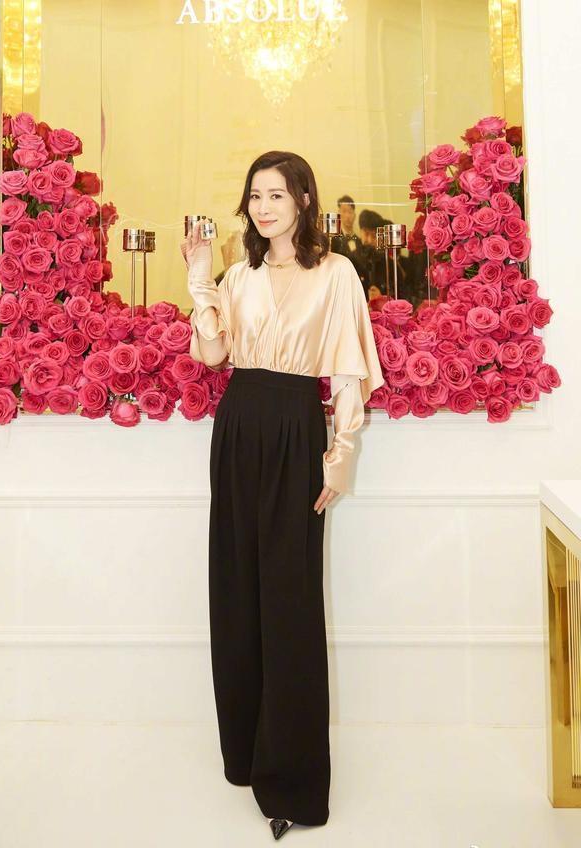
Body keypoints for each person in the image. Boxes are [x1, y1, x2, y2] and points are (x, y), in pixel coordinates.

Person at [181, 151, 384, 840]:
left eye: (276, 194)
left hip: (297, 428)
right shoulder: (239, 275)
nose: (264, 207)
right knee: (238, 589)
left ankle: (293, 784)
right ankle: (245, 755)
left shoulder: (336, 273)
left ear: (302, 199)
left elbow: (348, 373)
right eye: (255, 196)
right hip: (238, 425)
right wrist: (200, 279)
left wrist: (340, 456)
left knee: (290, 600)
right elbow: (214, 356)